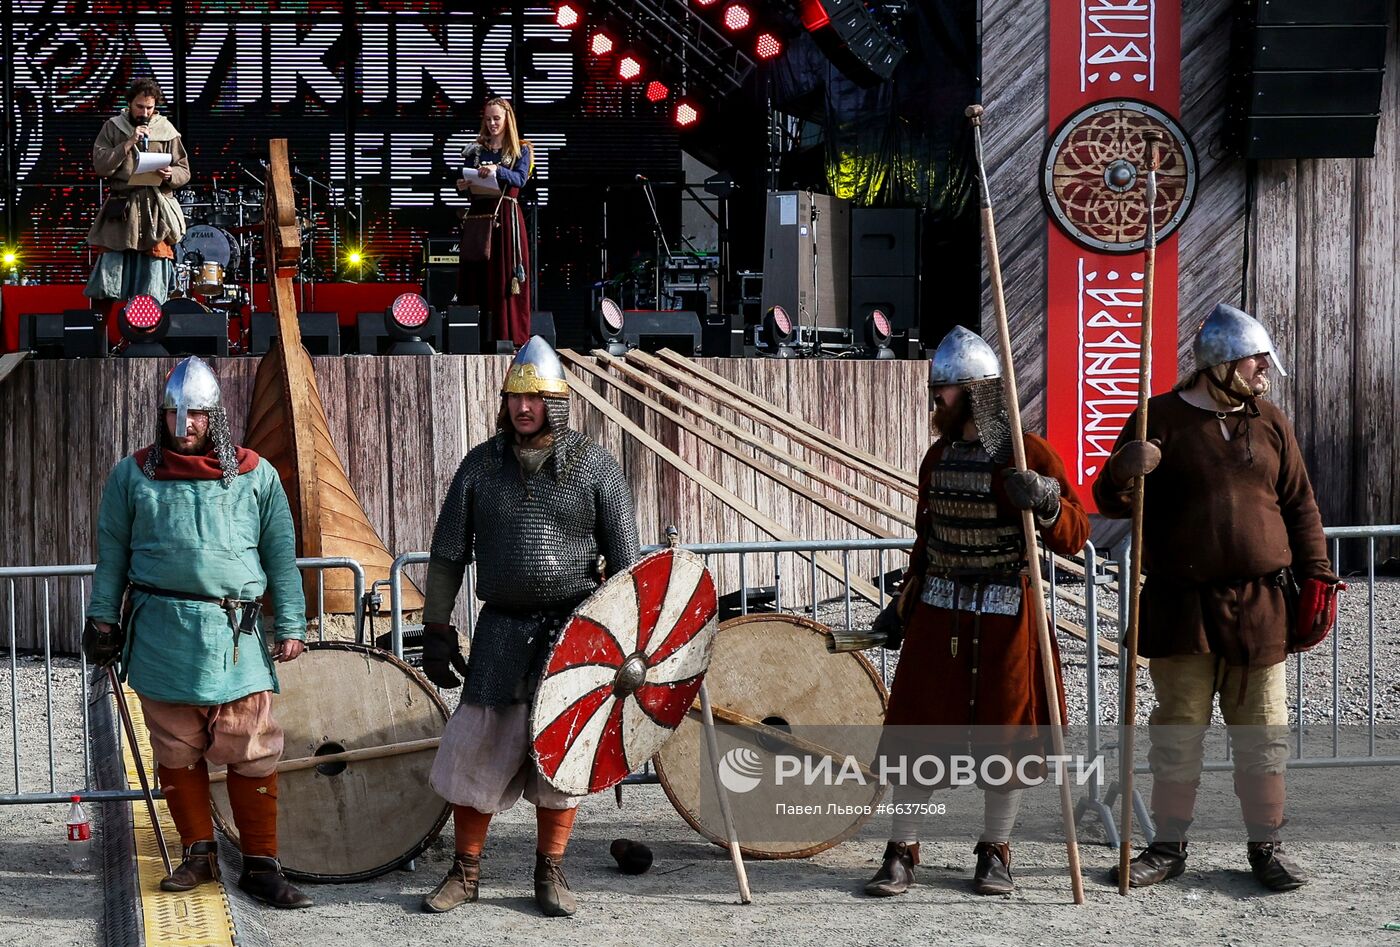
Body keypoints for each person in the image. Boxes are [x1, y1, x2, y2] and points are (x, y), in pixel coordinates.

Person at [1095, 303, 1339, 892]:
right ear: (1222, 364)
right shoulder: (1159, 418)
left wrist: (1319, 574)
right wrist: (1129, 470)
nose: (1264, 372)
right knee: (1178, 729)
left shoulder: (1271, 422)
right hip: (1182, 604)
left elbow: (1300, 505)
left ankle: (1266, 847)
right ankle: (1168, 846)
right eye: (1257, 361)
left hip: (1261, 605)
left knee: (1263, 730)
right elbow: (1109, 498)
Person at [863, 326, 1090, 898]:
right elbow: (925, 541)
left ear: (975, 391)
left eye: (945, 390)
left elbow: (1077, 532)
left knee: (1005, 736)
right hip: (940, 608)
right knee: (918, 731)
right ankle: (902, 848)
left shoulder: (1026, 451)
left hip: (1008, 611)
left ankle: (995, 850)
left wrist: (1042, 499)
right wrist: (900, 606)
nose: (936, 400)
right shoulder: (936, 457)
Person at [419, 336, 639, 918]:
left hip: (572, 635)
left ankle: (551, 871)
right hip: (499, 634)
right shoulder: (481, 466)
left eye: (536, 397)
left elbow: (627, 569)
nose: (524, 408)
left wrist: (629, 643)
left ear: (556, 402)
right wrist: (437, 628)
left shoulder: (595, 467)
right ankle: (465, 872)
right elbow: (447, 556)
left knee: (560, 759)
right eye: (516, 396)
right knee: (476, 755)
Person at [82, 357, 311, 909]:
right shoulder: (132, 475)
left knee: (252, 747)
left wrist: (292, 623)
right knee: (177, 748)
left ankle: (261, 864)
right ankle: (198, 855)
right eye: (172, 414)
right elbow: (111, 554)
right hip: (163, 631)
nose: (183, 426)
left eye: (195, 416)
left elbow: (281, 554)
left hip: (236, 632)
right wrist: (102, 619)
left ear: (216, 417)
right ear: (160, 415)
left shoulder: (256, 475)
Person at [85, 77, 190, 311]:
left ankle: (147, 337)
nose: (144, 112)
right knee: (108, 277)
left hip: (155, 211)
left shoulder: (167, 130)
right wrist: (129, 142)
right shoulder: (113, 127)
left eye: (149, 107)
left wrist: (170, 173)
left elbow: (185, 170)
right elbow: (101, 165)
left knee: (154, 276)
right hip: (122, 210)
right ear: (130, 104)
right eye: (140, 106)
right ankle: (99, 340)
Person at [455, 96, 533, 349]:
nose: (492, 124)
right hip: (480, 217)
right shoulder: (476, 149)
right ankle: (476, 338)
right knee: (477, 275)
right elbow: (469, 180)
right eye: (488, 119)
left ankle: (509, 337)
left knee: (504, 277)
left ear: (507, 118)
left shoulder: (521, 149)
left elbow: (520, 180)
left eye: (496, 118)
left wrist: (497, 170)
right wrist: (463, 185)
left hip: (506, 217)